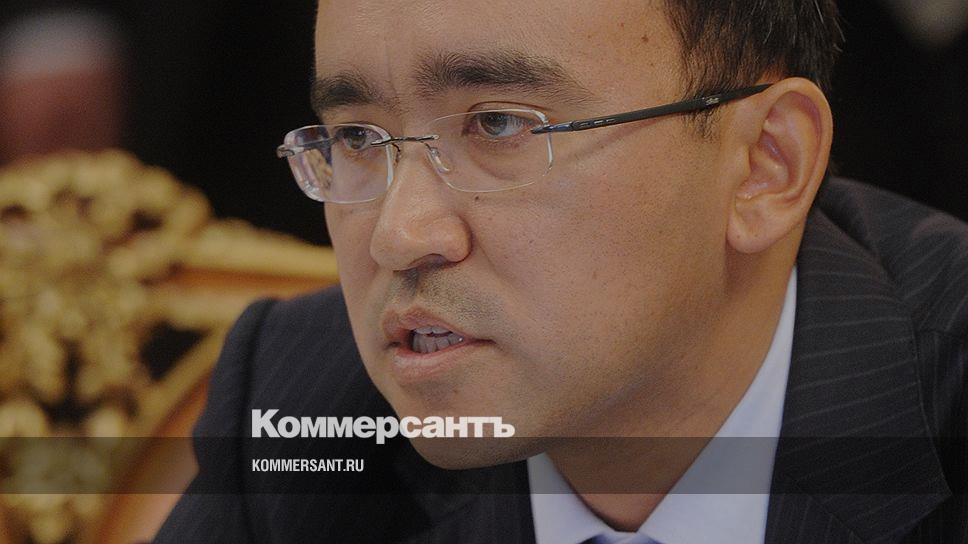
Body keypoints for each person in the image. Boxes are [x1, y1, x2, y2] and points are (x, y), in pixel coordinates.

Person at [156, 1, 968, 543]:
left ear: (765, 164)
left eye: (499, 125)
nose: (399, 236)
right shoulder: (305, 404)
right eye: (357, 139)